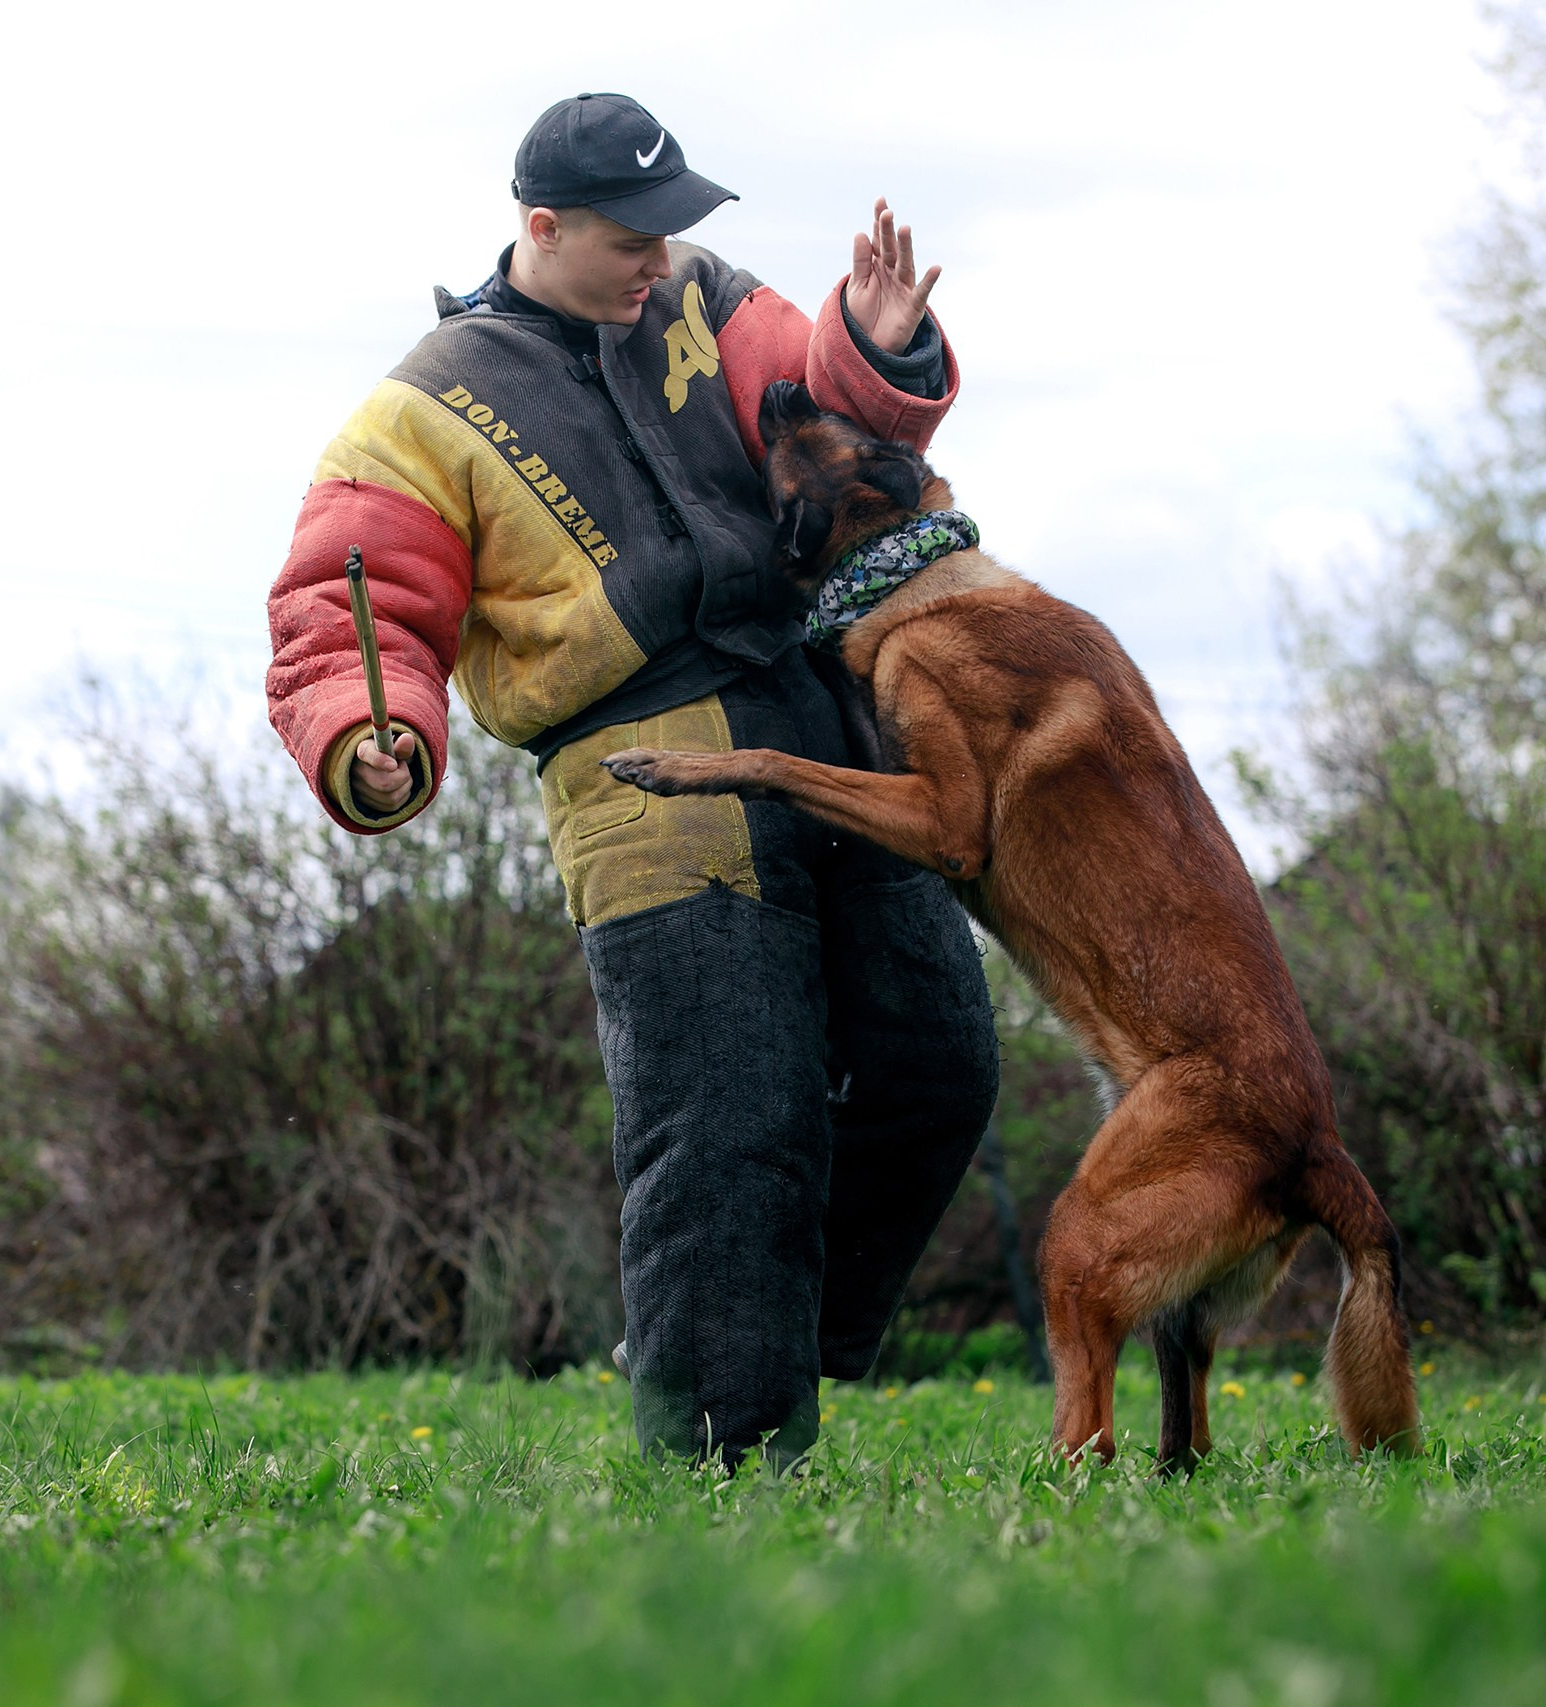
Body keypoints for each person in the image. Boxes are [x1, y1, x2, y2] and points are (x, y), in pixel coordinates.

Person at [265, 93, 999, 1468]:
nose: (658, 265)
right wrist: (374, 729)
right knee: (726, 1129)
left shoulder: (708, 299)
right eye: (627, 242)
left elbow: (828, 400)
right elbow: (343, 607)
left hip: (827, 717)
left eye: (672, 234)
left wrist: (878, 342)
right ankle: (718, 1456)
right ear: (540, 227)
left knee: (940, 1066)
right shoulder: (416, 415)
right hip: (641, 775)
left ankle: (764, 1341)